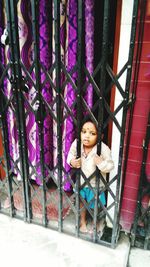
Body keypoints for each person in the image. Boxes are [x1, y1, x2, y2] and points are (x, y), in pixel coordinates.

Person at [67, 119, 114, 233]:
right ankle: (82, 222)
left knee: (94, 206)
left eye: (92, 133)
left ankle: (95, 222)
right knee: (81, 203)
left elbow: (110, 165)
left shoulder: (103, 148)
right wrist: (72, 161)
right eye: (84, 132)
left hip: (95, 184)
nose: (86, 136)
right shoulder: (77, 143)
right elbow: (70, 155)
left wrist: (101, 163)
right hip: (81, 182)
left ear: (100, 136)